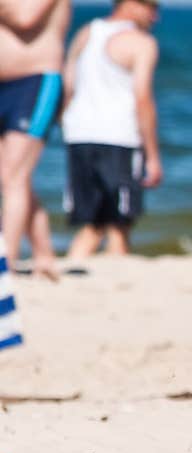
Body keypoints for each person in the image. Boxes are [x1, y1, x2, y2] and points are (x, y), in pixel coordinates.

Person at [61, 0, 162, 258]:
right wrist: (152, 155)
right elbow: (143, 99)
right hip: (119, 137)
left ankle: (74, 268)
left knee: (92, 225)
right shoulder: (141, 43)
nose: (155, 17)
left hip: (79, 133)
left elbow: (68, 85)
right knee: (119, 225)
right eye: (152, 7)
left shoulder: (86, 33)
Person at [0, 0, 70, 279]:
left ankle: (8, 260)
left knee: (14, 176)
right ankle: (44, 255)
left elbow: (25, 18)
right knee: (13, 176)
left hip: (36, 80)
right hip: (4, 86)